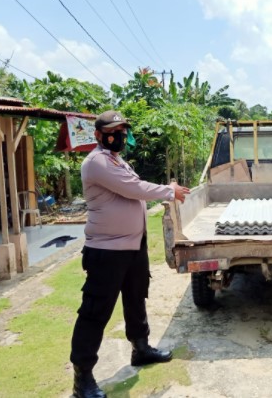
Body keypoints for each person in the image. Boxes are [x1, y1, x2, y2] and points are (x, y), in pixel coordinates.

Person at [70, 110, 191, 398]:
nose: (119, 135)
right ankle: (82, 378)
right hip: (107, 250)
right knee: (95, 311)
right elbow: (134, 188)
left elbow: (131, 187)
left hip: (133, 246)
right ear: (99, 135)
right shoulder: (97, 161)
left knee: (137, 298)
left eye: (122, 130)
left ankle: (141, 348)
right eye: (113, 130)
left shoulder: (117, 159)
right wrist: (169, 190)